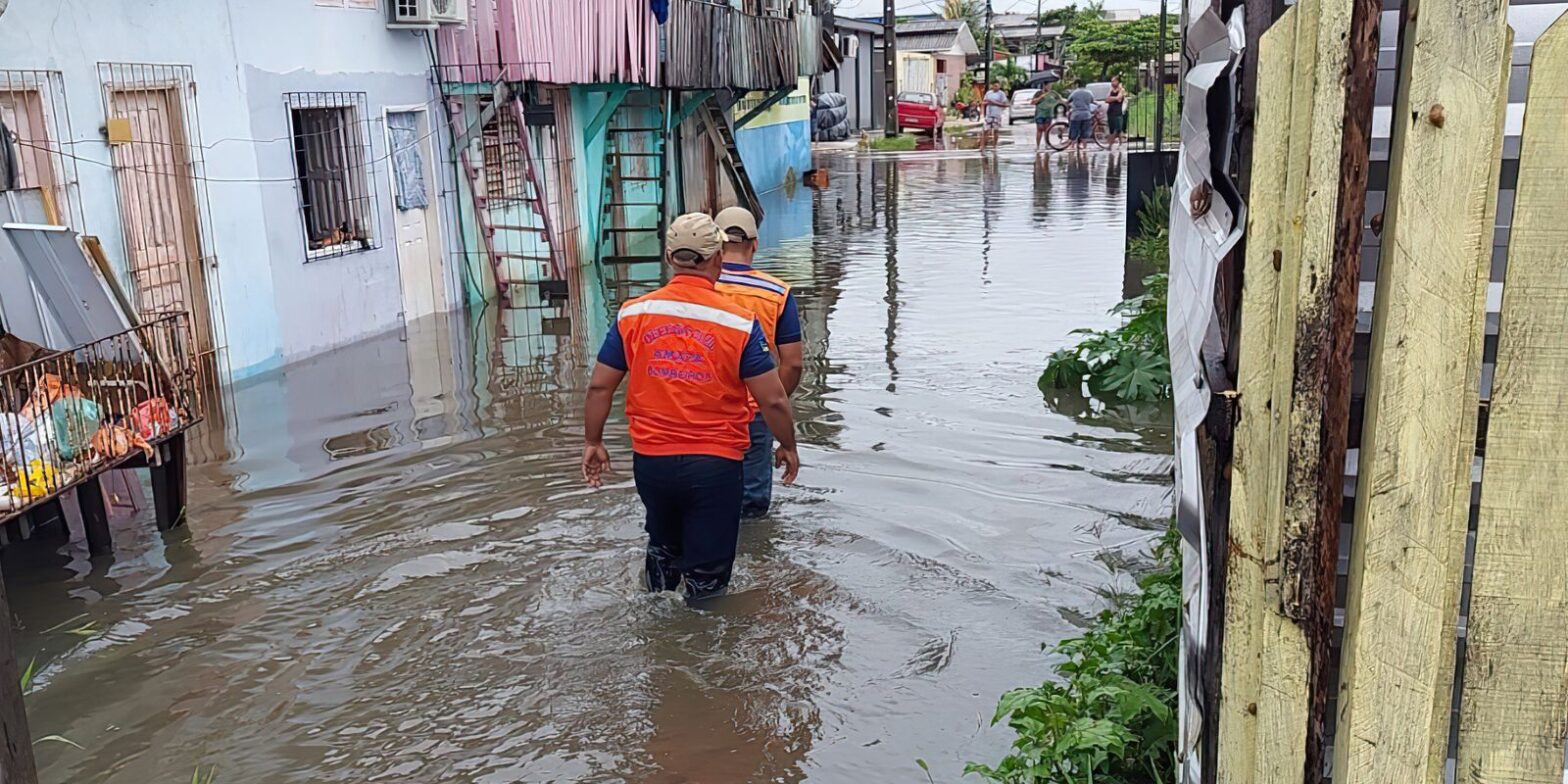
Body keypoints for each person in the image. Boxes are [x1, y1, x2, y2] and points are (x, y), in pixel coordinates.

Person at [581, 213, 801, 601]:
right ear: (717, 257)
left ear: (669, 257)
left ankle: (653, 639)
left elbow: (600, 385)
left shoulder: (632, 314)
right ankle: (700, 653)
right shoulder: (738, 323)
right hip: (714, 465)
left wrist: (593, 442)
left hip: (652, 462)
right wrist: (787, 444)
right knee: (708, 581)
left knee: (662, 552)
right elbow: (771, 398)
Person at [713, 206, 803, 519]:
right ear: (755, 243)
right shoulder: (777, 294)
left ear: (715, 245)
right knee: (750, 508)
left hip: (698, 412)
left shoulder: (695, 292)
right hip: (754, 411)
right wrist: (771, 403)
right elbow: (792, 364)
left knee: (702, 500)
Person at [1067, 79, 1096, 155]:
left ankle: (1072, 146)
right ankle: (1084, 147)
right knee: (1085, 131)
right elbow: (1092, 101)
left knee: (1074, 130)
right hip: (1086, 114)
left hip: (1076, 115)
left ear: (1077, 85)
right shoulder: (1089, 92)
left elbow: (1068, 101)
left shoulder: (1075, 92)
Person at [980, 80, 1008, 153]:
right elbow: (984, 102)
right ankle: (983, 146)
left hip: (997, 114)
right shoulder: (988, 93)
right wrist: (982, 113)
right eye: (995, 86)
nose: (996, 87)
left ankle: (994, 146)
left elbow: (1005, 104)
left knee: (995, 130)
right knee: (985, 130)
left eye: (998, 86)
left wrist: (994, 103)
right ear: (992, 86)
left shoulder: (1001, 94)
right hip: (989, 114)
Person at [1107, 76, 1128, 147]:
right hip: (1110, 111)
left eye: (1114, 81)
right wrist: (1115, 98)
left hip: (1118, 111)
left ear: (1118, 82)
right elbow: (1107, 99)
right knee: (1112, 129)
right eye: (1112, 81)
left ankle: (1110, 145)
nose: (1113, 83)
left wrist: (1112, 98)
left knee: (1118, 128)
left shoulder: (1121, 90)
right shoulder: (1111, 89)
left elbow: (1119, 98)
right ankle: (1120, 144)